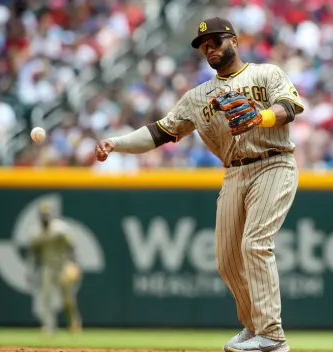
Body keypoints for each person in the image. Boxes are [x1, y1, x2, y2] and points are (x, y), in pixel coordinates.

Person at [95, 17, 304, 352]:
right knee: (225, 259)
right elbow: (159, 132)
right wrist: (115, 143)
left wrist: (261, 116)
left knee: (254, 244)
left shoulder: (265, 73)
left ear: (234, 41)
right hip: (234, 172)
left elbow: (290, 107)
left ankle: (272, 334)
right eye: (204, 45)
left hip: (274, 162)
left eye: (216, 42)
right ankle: (254, 329)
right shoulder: (197, 96)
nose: (210, 49)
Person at [26, 202, 82, 335]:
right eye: (43, 215)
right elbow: (33, 254)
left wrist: (74, 263)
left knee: (68, 299)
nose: (45, 218)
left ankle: (74, 322)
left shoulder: (60, 229)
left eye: (47, 215)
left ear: (51, 216)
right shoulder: (36, 232)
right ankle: (49, 326)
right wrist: (30, 270)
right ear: (40, 217)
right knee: (46, 298)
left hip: (62, 265)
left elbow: (72, 246)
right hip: (47, 267)